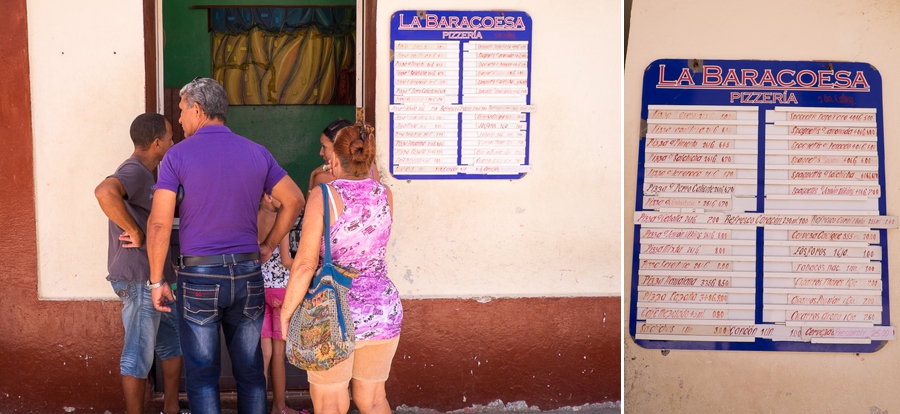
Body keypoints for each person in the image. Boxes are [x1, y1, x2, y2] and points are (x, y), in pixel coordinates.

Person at [145, 77, 305, 414]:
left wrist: (157, 279)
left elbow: (159, 223)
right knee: (250, 373)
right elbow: (294, 199)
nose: (179, 119)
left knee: (203, 377)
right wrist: (268, 246)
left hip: (200, 276)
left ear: (198, 110)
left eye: (181, 110)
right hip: (247, 273)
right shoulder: (256, 152)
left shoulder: (176, 156)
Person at [281, 122, 402, 414]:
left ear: (334, 158)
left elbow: (305, 264)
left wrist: (286, 314)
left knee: (331, 404)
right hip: (381, 309)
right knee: (373, 400)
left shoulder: (323, 196)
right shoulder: (384, 193)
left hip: (332, 312)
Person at [93, 113, 183, 414]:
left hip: (158, 278)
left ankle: (171, 408)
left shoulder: (148, 174)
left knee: (173, 345)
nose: (173, 141)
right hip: (139, 279)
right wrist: (134, 231)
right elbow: (104, 192)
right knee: (138, 353)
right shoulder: (133, 170)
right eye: (170, 137)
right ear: (157, 143)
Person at [257, 194, 300, 414]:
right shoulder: (280, 222)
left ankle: (258, 408)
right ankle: (279, 407)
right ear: (267, 196)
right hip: (280, 292)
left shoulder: (253, 219)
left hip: (257, 290)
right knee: (278, 355)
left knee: (263, 355)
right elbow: (286, 260)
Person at [307, 118, 379, 194]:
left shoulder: (323, 177)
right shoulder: (372, 169)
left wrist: (313, 176)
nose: (321, 153)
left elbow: (310, 204)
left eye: (324, 147)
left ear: (338, 149)